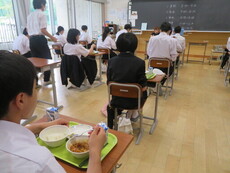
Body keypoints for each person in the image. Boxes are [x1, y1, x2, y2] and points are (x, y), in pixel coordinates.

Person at [0, 50, 106, 173]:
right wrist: (94, 151)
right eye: (35, 88)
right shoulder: (39, 162)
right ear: (21, 100)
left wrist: (40, 126)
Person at [106, 33, 147, 129]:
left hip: (116, 100)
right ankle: (133, 113)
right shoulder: (140, 62)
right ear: (135, 46)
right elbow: (144, 87)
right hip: (134, 102)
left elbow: (109, 83)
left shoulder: (111, 61)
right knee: (144, 91)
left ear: (118, 45)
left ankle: (126, 116)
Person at [27, 0, 57, 85]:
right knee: (47, 59)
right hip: (40, 39)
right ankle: (47, 79)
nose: (45, 7)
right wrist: (52, 37)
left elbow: (28, 31)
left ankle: (35, 82)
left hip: (32, 40)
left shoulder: (30, 15)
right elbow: (42, 30)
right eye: (45, 5)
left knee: (35, 61)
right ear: (42, 4)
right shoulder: (42, 14)